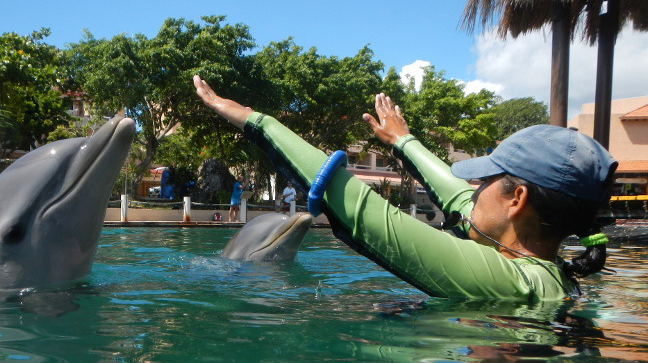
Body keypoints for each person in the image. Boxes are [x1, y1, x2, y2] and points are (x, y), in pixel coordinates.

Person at [193, 75, 617, 301]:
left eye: (486, 181)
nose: (474, 190)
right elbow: (455, 198)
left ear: (517, 200)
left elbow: (361, 209)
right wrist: (403, 142)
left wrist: (254, 119)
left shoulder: (515, 282)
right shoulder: (551, 277)